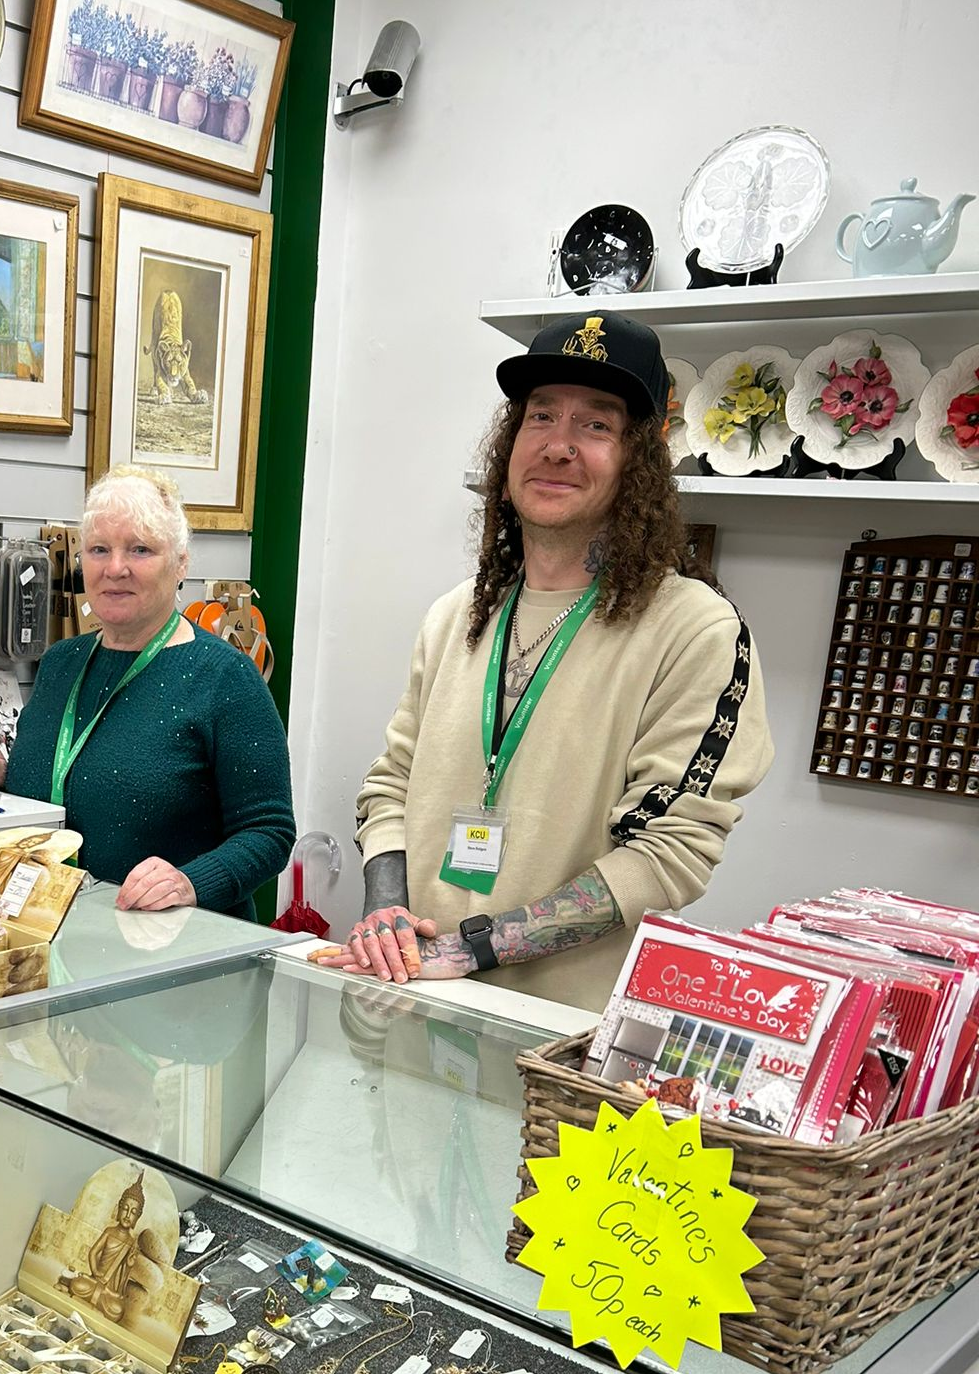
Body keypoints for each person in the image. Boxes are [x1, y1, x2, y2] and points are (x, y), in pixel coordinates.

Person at [320, 311, 773, 1012]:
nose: (559, 446)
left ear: (640, 461)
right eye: (540, 417)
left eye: (596, 424)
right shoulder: (455, 616)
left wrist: (471, 946)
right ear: (510, 444)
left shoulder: (695, 630)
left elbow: (668, 852)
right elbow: (390, 786)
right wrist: (386, 916)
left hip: (560, 1042)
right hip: (414, 1006)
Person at [0, 465, 294, 917]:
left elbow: (269, 830)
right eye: (99, 549)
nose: (115, 568)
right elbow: (75, 784)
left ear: (181, 561)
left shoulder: (225, 677)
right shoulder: (60, 663)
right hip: (53, 924)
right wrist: (2, 778)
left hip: (171, 949)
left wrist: (190, 883)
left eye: (141, 549)